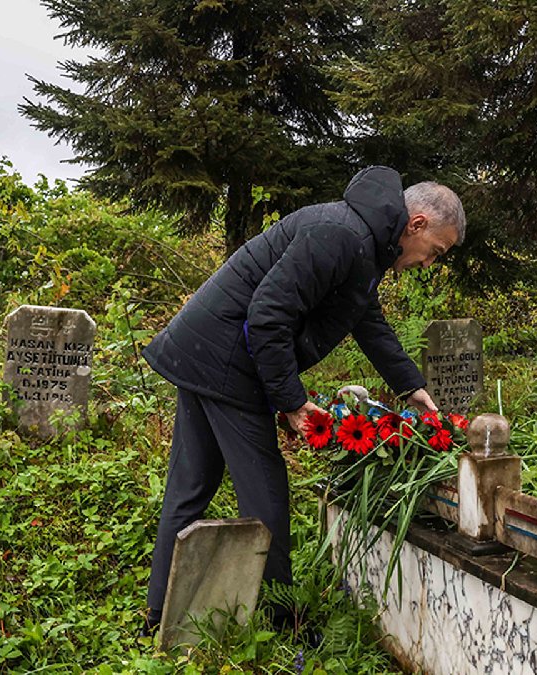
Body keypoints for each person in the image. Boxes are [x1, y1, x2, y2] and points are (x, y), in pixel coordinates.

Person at [140, 166, 465, 631]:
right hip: (226, 363)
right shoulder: (340, 236)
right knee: (266, 499)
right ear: (416, 225)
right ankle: (282, 618)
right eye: (435, 251)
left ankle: (158, 615)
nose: (427, 263)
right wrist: (292, 402)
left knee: (190, 486)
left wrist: (413, 390)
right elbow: (268, 317)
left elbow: (368, 323)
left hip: (203, 351)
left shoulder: (364, 243)